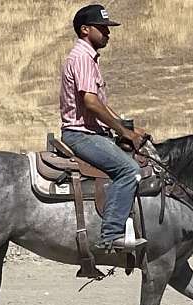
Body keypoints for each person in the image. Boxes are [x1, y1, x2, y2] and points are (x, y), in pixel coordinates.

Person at [60, 4, 147, 251]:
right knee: (129, 170)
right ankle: (112, 234)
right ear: (85, 30)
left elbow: (101, 105)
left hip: (92, 132)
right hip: (81, 135)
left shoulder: (89, 58)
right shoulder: (82, 58)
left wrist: (127, 128)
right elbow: (90, 103)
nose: (108, 33)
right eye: (103, 28)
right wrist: (123, 132)